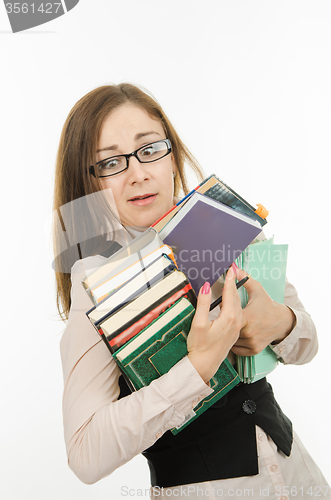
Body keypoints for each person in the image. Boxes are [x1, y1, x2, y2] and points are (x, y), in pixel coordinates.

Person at [54, 83, 330, 498]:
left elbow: (307, 345)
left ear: (172, 154)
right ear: (89, 182)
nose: (139, 173)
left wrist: (282, 323)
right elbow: (85, 454)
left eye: (150, 149)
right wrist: (195, 370)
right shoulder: (97, 284)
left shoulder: (220, 222)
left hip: (299, 478)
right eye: (111, 162)